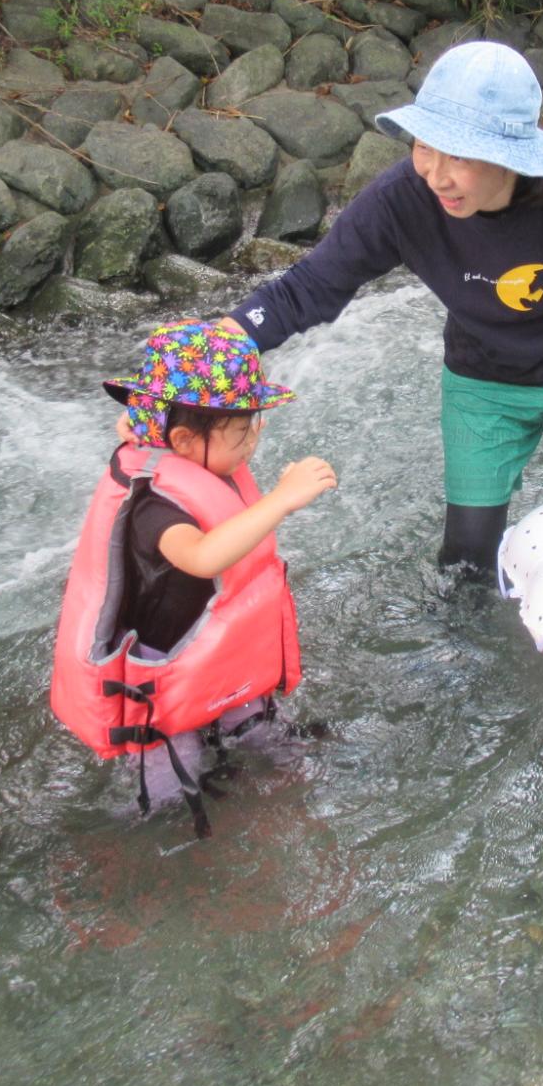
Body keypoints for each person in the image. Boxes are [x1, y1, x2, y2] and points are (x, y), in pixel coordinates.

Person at [221, 40, 543, 577]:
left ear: (508, 157)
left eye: (460, 155)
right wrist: (193, 357)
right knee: (465, 563)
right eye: (425, 146)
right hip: (483, 375)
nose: (436, 175)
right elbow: (306, 289)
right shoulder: (402, 200)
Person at [49, 321, 336, 835]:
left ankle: (301, 782)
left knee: (266, 736)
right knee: (166, 793)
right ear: (182, 439)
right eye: (243, 430)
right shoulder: (154, 509)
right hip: (161, 674)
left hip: (216, 652)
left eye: (255, 424)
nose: (255, 438)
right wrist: (281, 499)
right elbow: (202, 558)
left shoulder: (187, 451)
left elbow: (151, 430)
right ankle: (129, 846)